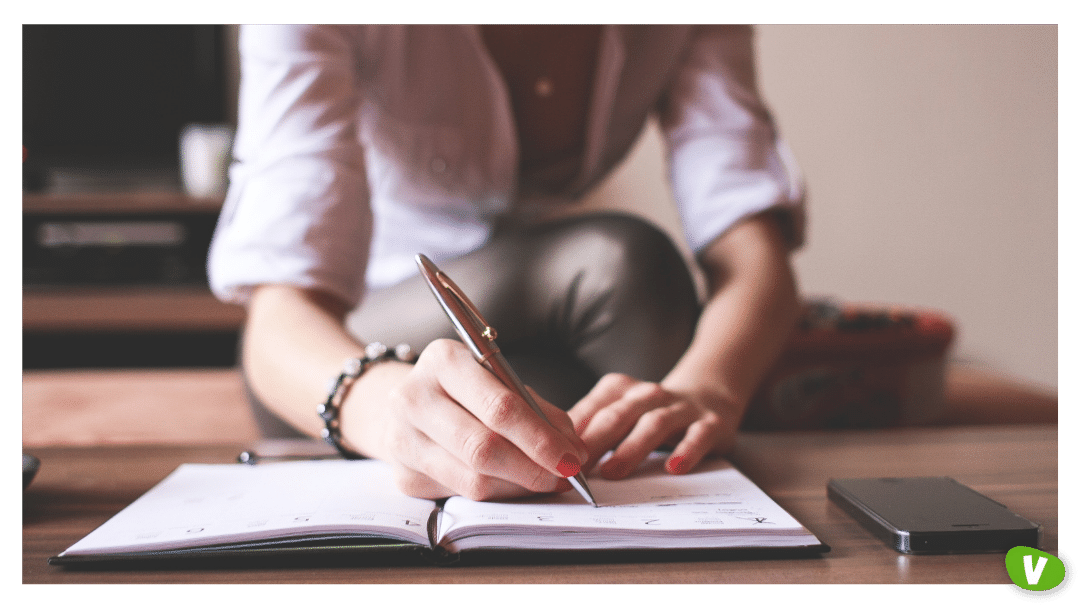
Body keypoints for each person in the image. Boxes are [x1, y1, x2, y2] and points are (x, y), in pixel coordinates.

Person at [208, 24, 805, 502]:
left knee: (611, 380)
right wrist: (388, 410)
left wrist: (710, 388)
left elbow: (751, 249)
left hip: (547, 346)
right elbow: (279, 319)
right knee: (625, 268)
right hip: (343, 372)